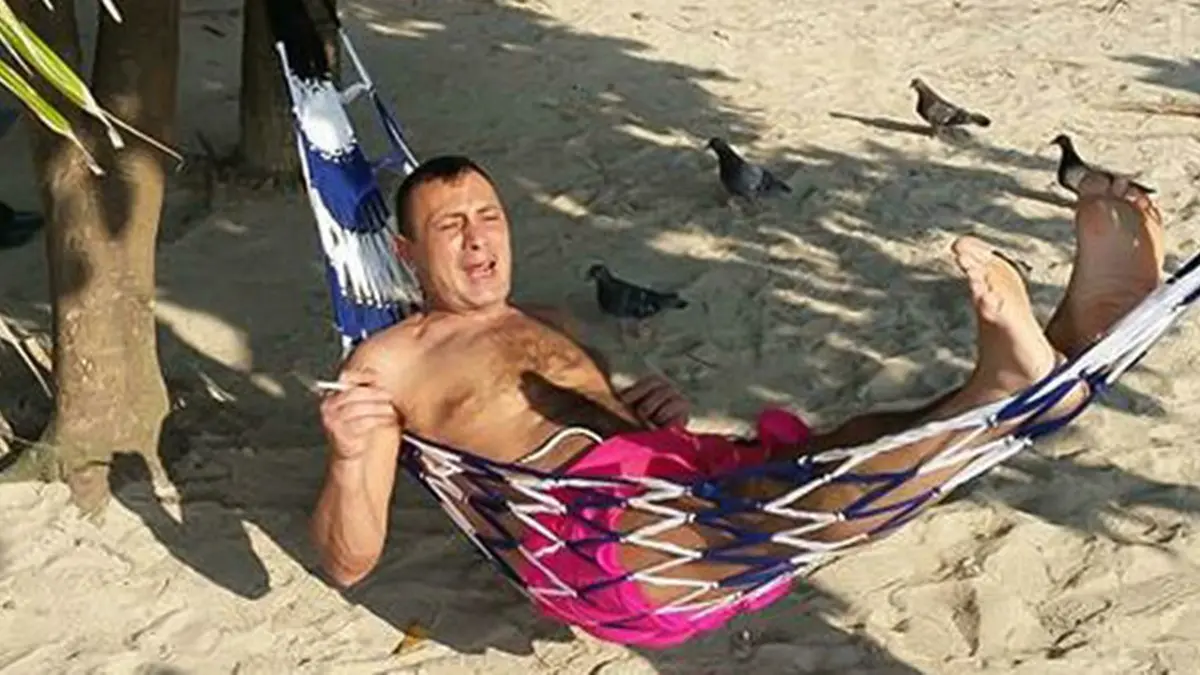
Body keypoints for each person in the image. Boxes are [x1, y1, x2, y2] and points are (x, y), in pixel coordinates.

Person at [310, 154, 1164, 647]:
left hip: (664, 476)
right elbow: (349, 561)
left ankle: (1046, 358)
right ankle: (1007, 387)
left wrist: (646, 407)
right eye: (450, 226)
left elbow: (610, 410)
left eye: (489, 216)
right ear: (407, 251)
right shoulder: (388, 361)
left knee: (841, 444)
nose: (478, 238)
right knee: (786, 498)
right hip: (586, 538)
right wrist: (350, 460)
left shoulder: (552, 317)